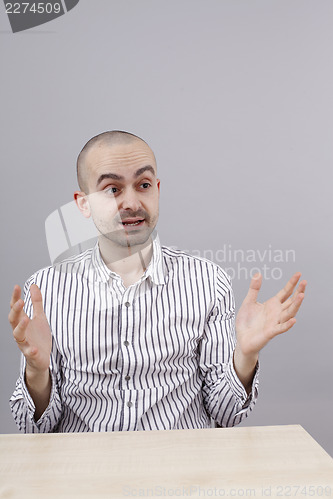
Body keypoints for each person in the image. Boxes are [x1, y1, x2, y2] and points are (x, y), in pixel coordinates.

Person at [8, 131, 306, 433]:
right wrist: (37, 371)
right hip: (83, 473)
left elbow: (227, 415)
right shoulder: (46, 289)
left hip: (183, 472)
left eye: (144, 185)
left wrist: (245, 355)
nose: (132, 202)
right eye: (112, 189)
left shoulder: (207, 281)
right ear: (83, 204)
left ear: (157, 190)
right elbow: (35, 429)